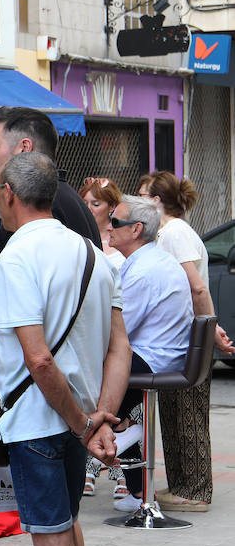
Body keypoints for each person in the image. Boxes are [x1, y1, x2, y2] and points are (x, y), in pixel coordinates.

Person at [0, 153, 129, 546]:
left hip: (41, 422)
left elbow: (39, 360)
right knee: (65, 533)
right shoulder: (95, 255)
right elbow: (120, 346)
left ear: (8, 193)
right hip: (77, 419)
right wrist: (100, 416)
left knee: (52, 543)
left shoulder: (16, 256)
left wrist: (81, 424)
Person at [0, 107, 105, 546]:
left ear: (23, 152)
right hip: (53, 403)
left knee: (55, 530)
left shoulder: (48, 228)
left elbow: (48, 351)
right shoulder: (50, 221)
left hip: (47, 406)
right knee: (54, 527)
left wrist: (84, 420)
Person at [138, 171, 234, 512]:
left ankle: (196, 490)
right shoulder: (168, 233)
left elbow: (196, 287)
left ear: (156, 201)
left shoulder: (175, 233)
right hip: (182, 335)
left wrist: (210, 328)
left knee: (190, 414)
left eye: (142, 196)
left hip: (191, 335)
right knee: (175, 411)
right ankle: (181, 484)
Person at [107, 196, 194, 512]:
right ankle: (124, 437)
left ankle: (112, 437)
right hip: (158, 355)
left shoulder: (144, 270)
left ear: (136, 230)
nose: (108, 226)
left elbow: (118, 332)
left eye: (115, 221)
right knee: (107, 392)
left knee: (84, 380)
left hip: (153, 358)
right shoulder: (151, 261)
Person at [78, 176, 126, 500]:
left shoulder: (117, 252)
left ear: (110, 208)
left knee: (115, 407)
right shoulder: (78, 245)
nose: (89, 209)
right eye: (86, 202)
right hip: (88, 343)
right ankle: (90, 470)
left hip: (112, 341)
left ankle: (121, 471)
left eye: (96, 203)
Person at [80, 177, 125, 271]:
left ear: (112, 206)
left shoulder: (124, 234)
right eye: (84, 204)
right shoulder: (76, 235)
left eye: (95, 204)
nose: (88, 209)